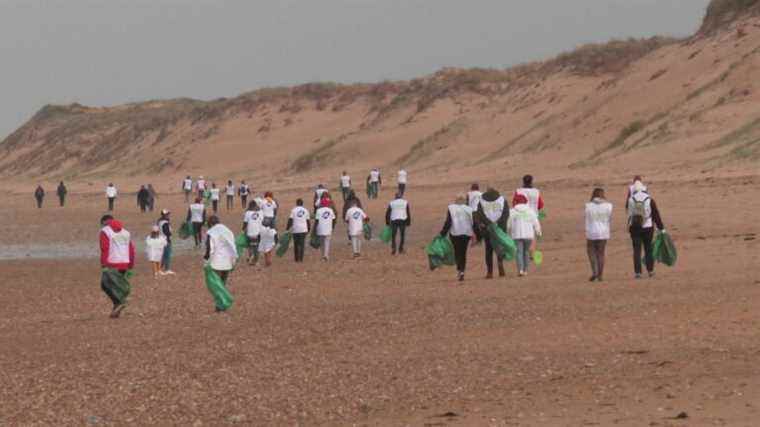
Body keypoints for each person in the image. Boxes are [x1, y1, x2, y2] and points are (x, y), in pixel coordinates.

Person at [627, 181, 665, 279]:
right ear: (644, 189)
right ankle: (650, 270)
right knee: (648, 249)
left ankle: (638, 272)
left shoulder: (631, 199)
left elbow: (630, 214)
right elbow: (656, 215)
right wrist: (661, 228)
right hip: (648, 227)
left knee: (636, 250)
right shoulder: (649, 199)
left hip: (634, 228)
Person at [99, 215, 135, 318]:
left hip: (112, 263)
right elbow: (131, 249)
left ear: (105, 222)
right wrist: (130, 266)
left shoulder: (105, 231)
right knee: (116, 285)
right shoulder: (126, 232)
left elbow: (104, 248)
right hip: (124, 263)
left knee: (105, 285)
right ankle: (117, 307)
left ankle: (120, 302)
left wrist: (103, 264)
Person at [474, 187, 509, 279]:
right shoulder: (502, 200)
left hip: (487, 229)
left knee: (489, 250)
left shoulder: (482, 201)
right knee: (499, 248)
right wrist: (498, 223)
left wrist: (488, 223)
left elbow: (480, 214)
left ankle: (489, 272)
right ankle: (500, 264)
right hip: (500, 229)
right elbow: (506, 214)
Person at [439, 195, 475, 282]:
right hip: (466, 233)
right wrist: (477, 234)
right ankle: (462, 270)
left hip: (455, 233)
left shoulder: (451, 208)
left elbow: (448, 222)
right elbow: (474, 222)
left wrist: (443, 233)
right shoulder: (469, 209)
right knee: (463, 252)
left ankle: (459, 269)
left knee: (457, 251)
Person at [204, 215, 238, 301]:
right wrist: (234, 259)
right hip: (228, 261)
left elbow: (210, 248)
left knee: (216, 284)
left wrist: (206, 260)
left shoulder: (211, 232)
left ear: (210, 224)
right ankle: (224, 300)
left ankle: (221, 303)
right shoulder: (227, 230)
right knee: (223, 283)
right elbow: (233, 244)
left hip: (217, 261)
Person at [508, 194, 542, 277]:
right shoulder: (530, 211)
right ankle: (525, 270)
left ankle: (520, 270)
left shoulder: (512, 211)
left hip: (517, 235)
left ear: (516, 201)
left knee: (519, 252)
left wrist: (507, 231)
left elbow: (508, 223)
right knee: (526, 252)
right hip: (528, 235)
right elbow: (536, 223)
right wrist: (538, 232)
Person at [585, 188, 613, 282]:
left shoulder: (588, 206)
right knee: (601, 253)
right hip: (603, 232)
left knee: (591, 252)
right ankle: (600, 274)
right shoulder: (608, 206)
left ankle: (594, 271)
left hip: (591, 232)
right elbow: (609, 218)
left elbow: (586, 217)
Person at [287, 199, 310, 263]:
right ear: (302, 203)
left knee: (296, 244)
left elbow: (290, 220)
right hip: (303, 229)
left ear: (296, 203)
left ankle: (296, 259)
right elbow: (308, 221)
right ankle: (301, 259)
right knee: (302, 244)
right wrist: (309, 229)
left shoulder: (293, 210)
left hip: (296, 229)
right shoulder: (306, 210)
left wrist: (287, 228)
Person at [243, 200, 263, 265]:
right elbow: (262, 221)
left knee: (250, 246)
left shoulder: (247, 213)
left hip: (250, 233)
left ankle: (251, 257)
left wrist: (243, 229)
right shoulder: (260, 212)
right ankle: (256, 261)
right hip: (258, 232)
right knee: (257, 247)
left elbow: (245, 223)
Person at [157, 209, 175, 275]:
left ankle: (159, 269)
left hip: (161, 240)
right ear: (165, 215)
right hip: (166, 240)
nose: (168, 215)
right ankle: (167, 269)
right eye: (167, 214)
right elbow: (167, 232)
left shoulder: (159, 222)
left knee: (164, 255)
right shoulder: (165, 223)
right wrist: (170, 234)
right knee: (167, 255)